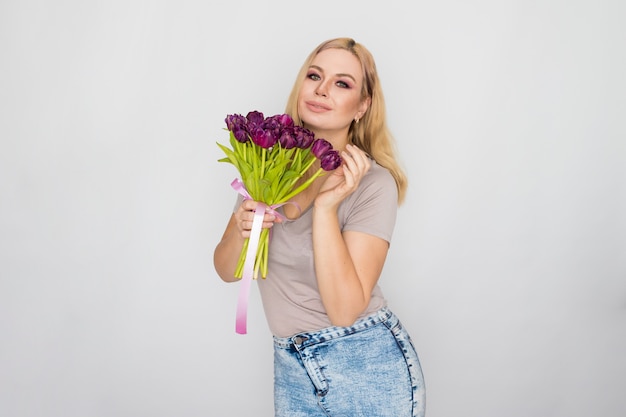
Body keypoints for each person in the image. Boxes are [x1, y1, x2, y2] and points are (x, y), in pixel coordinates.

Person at [214, 37, 426, 417]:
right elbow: (229, 271)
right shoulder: (266, 166)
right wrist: (241, 222)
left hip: (364, 366)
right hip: (291, 366)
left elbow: (345, 310)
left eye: (342, 83)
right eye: (315, 75)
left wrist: (327, 208)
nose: (322, 89)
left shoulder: (373, 185)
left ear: (363, 106)